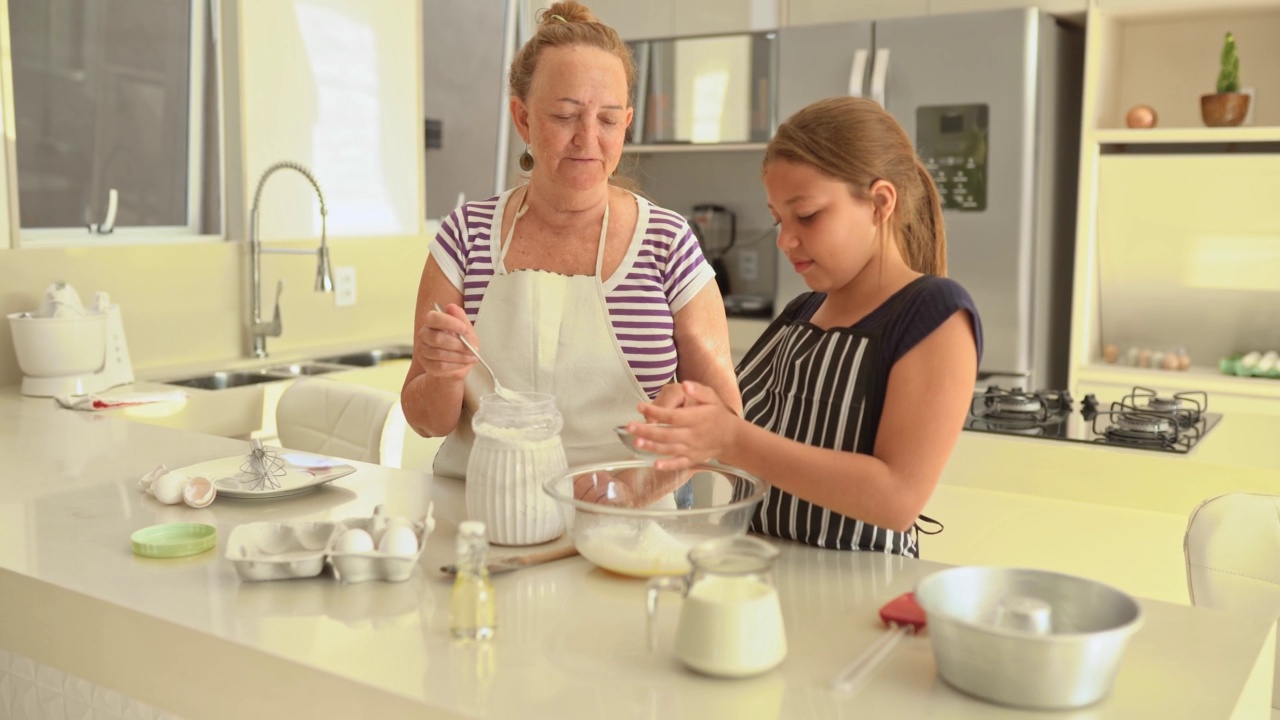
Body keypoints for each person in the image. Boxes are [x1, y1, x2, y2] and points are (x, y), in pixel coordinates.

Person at [629, 97, 984, 557]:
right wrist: (698, 416)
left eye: (808, 216)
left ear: (879, 203)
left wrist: (731, 438)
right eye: (778, 219)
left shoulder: (933, 314)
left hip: (859, 599)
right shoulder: (801, 313)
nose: (784, 239)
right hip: (760, 581)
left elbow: (897, 499)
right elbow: (748, 438)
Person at [402, 1, 740, 478]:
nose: (587, 139)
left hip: (622, 528)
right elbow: (424, 421)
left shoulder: (667, 243)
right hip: (478, 516)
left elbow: (725, 424)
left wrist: (633, 491)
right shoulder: (465, 236)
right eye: (564, 115)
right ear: (522, 119)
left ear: (626, 124)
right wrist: (442, 374)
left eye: (606, 120)